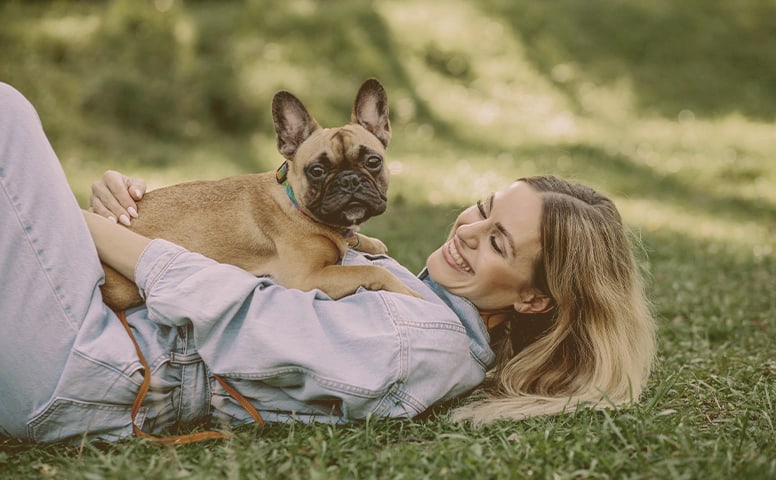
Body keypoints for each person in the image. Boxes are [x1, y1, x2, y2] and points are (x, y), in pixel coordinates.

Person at [0, 82, 655, 444]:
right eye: (484, 207)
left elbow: (233, 309)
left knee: (9, 119)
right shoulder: (414, 297)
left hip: (93, 362)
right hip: (91, 334)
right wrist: (124, 214)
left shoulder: (415, 336)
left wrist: (70, 222)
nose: (468, 229)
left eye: (498, 243)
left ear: (534, 300)